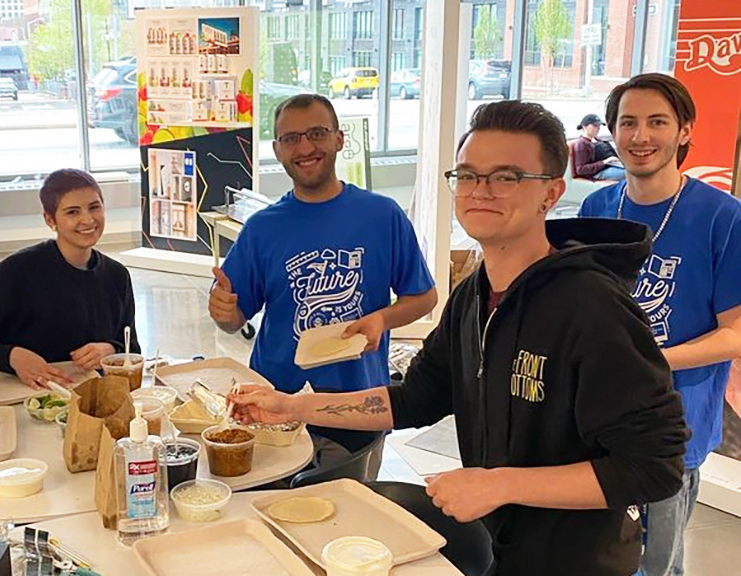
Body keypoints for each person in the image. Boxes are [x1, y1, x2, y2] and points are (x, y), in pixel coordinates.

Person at [228, 100, 688, 576]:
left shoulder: (593, 305)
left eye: (506, 177)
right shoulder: (473, 295)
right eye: (467, 175)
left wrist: (500, 485)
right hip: (502, 549)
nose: (480, 191)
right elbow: (418, 398)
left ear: (550, 193)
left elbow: (654, 466)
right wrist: (291, 407)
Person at [208, 93, 438, 469]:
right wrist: (223, 311)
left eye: (317, 133)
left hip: (357, 404)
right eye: (291, 138)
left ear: (339, 139)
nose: (305, 147)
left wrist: (382, 319)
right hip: (274, 404)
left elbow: (424, 297)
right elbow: (233, 319)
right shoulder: (262, 229)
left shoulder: (382, 216)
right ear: (278, 150)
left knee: (346, 515)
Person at [579, 73, 741, 576]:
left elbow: (735, 333)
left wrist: (650, 360)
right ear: (612, 131)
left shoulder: (723, 217)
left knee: (657, 563)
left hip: (675, 424)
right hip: (597, 419)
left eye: (657, 122)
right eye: (628, 122)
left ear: (684, 131)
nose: (641, 136)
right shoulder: (596, 208)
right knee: (598, 553)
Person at [0, 168, 140, 389]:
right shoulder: (17, 271)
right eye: (72, 212)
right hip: (29, 397)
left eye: (94, 207)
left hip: (94, 398)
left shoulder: (117, 275)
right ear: (50, 219)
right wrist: (13, 357)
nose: (88, 219)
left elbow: (133, 349)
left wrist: (111, 350)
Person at [572, 113, 626, 181]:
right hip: (597, 172)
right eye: (595, 126)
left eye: (599, 126)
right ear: (585, 127)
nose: (598, 128)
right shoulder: (581, 144)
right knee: (628, 174)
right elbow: (581, 169)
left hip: (609, 166)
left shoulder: (596, 139)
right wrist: (605, 162)